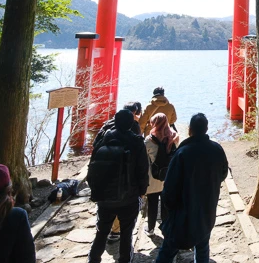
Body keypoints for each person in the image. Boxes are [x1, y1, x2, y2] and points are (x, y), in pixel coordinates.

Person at [156, 113, 229, 263]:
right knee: (202, 246)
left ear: (190, 130)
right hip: (207, 208)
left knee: (168, 250)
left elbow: (169, 188)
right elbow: (223, 173)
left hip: (183, 211)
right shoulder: (216, 149)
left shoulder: (182, 153)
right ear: (206, 129)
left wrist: (170, 208)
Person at [87, 109, 149, 263]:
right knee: (127, 234)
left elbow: (92, 167)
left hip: (104, 195)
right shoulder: (136, 142)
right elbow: (142, 170)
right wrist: (142, 191)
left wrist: (96, 189)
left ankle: (93, 259)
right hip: (129, 196)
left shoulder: (103, 139)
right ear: (131, 124)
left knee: (101, 232)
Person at [145, 113, 177, 233]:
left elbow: (144, 158)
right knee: (165, 205)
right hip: (168, 176)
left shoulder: (149, 140)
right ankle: (166, 228)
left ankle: (151, 228)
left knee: (152, 204)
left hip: (153, 177)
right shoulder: (173, 136)